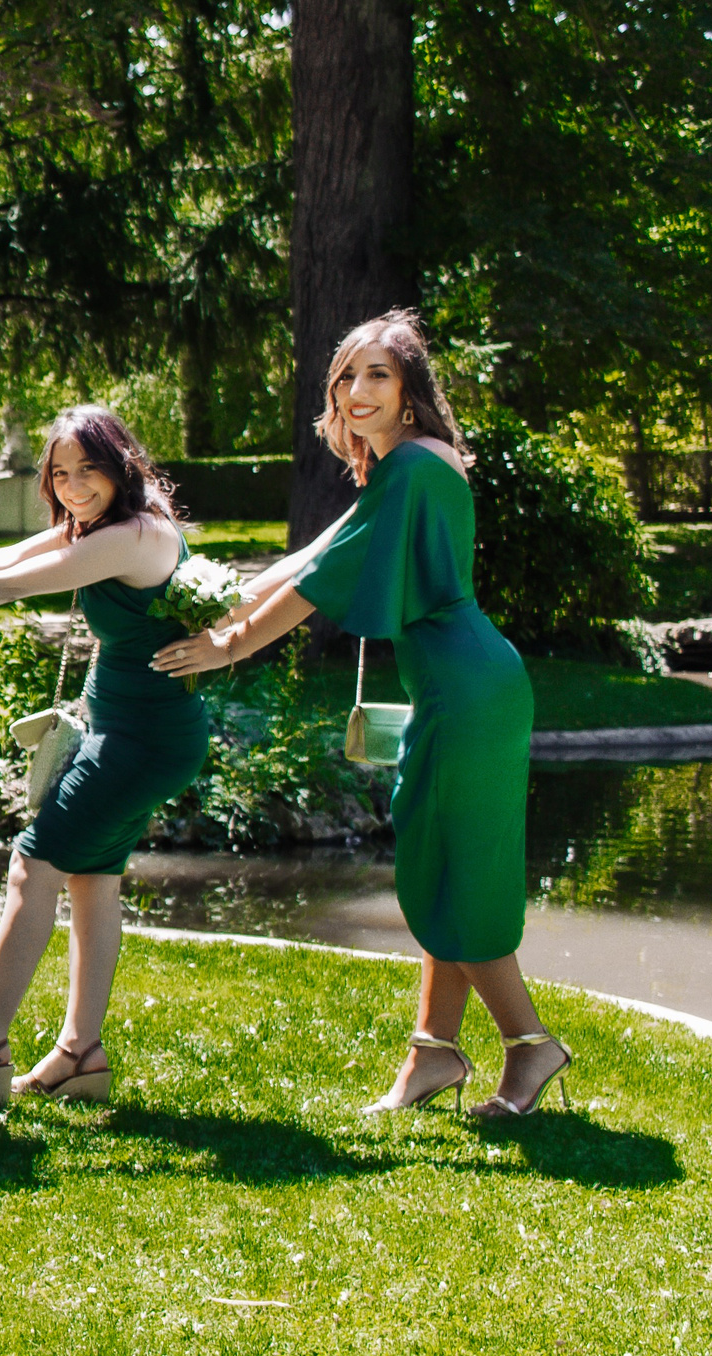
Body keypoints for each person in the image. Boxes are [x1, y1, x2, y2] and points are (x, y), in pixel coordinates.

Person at [154, 310, 565, 1117]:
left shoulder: (411, 467)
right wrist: (212, 600)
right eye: (347, 376)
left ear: (410, 390)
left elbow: (321, 581)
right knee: (440, 864)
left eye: (378, 373)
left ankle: (530, 1044)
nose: (358, 389)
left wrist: (230, 646)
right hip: (463, 686)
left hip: (466, 691)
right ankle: (432, 1056)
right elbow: (309, 555)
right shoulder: (401, 468)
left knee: (460, 876)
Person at [0, 407, 206, 1109]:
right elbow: (3, 558)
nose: (70, 487)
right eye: (58, 474)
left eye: (85, 470)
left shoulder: (132, 535)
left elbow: (12, 587)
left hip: (142, 738)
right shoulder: (104, 526)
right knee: (92, 877)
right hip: (131, 729)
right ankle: (80, 1053)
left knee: (33, 865)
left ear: (119, 462)